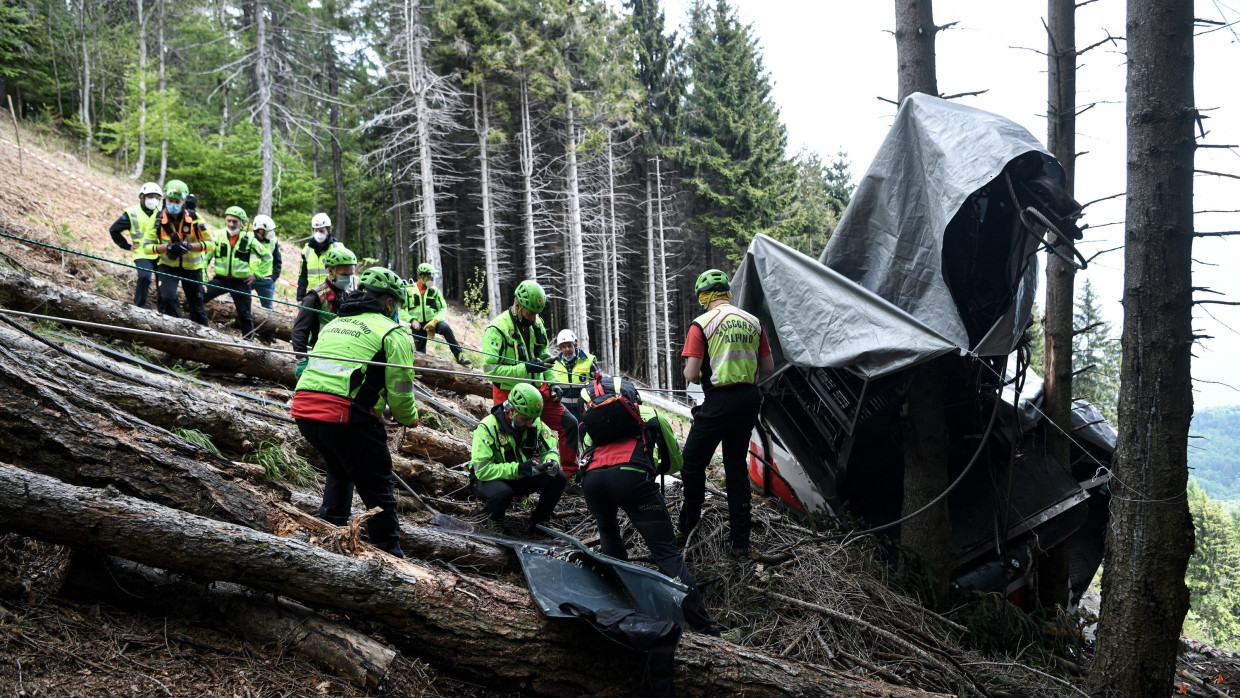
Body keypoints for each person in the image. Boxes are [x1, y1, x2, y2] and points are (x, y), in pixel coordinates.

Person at [290, 266, 418, 558]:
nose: (396, 310)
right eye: (396, 304)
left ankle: (329, 532)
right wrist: (409, 417)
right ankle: (389, 554)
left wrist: (375, 406)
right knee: (377, 486)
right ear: (388, 302)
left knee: (340, 469)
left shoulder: (335, 323)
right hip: (344, 418)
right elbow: (400, 389)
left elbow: (343, 375)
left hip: (305, 413)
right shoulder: (392, 333)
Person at [579, 377, 721, 636]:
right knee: (667, 554)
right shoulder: (651, 415)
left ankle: (620, 611)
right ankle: (706, 629)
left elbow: (587, 452)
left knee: (608, 532)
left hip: (593, 481)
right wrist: (650, 468)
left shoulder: (590, 419)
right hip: (632, 479)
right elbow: (675, 463)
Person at [676, 269, 774, 559]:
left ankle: (688, 525)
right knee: (735, 468)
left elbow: (692, 373)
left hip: (719, 400)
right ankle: (740, 543)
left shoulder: (701, 324)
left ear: (704, 296)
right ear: (728, 293)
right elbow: (767, 368)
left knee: (692, 463)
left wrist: (695, 372)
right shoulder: (753, 322)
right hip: (748, 400)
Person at [482, 280, 580, 481]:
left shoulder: (537, 324)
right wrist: (525, 368)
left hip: (538, 389)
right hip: (510, 394)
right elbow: (491, 371)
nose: (534, 318)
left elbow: (543, 355)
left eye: (537, 313)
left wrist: (553, 383)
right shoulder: (497, 329)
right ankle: (515, 487)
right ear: (518, 305)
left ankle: (570, 474)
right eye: (530, 313)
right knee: (514, 441)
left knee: (569, 423)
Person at [468, 382, 566, 532]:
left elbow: (550, 447)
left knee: (558, 477)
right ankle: (495, 520)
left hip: (518, 475)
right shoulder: (487, 427)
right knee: (502, 493)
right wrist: (519, 469)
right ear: (511, 410)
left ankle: (540, 520)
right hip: (487, 480)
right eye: (525, 419)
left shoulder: (533, 421)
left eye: (532, 419)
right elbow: (482, 470)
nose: (530, 423)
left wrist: (552, 461)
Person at [142, 179, 214, 325]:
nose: (173, 204)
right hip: (168, 266)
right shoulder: (157, 219)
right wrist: (168, 247)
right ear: (165, 199)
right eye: (170, 200)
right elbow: (147, 248)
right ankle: (179, 327)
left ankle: (204, 338)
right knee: (167, 298)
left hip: (192, 268)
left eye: (177, 201)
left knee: (197, 305)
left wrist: (189, 247)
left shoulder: (194, 218)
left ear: (183, 202)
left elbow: (211, 245)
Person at [292, 246, 356, 377]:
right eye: (344, 274)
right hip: (319, 353)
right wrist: (302, 359)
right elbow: (299, 330)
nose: (348, 279)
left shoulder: (348, 295)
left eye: (351, 274)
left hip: (342, 353)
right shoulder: (315, 297)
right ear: (331, 271)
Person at [403, 262, 472, 366]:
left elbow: (443, 308)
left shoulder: (434, 291)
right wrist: (411, 320)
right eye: (430, 277)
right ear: (422, 276)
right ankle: (423, 371)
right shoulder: (409, 290)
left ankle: (459, 355)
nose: (432, 280)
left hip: (433, 322)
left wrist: (435, 321)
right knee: (420, 352)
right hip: (417, 325)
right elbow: (401, 310)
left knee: (446, 328)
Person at [202, 206, 257, 337]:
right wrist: (203, 280)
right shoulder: (217, 236)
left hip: (241, 282)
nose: (231, 224)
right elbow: (204, 259)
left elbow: (267, 257)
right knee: (198, 298)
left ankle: (249, 342)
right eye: (229, 221)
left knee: (245, 314)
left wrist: (256, 274)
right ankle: (198, 329)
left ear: (241, 223)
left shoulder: (249, 239)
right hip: (220, 279)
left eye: (235, 222)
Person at [107, 182, 163, 308]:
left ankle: (163, 311)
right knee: (145, 277)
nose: (153, 200)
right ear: (142, 197)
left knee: (163, 283)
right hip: (142, 253)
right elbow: (114, 230)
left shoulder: (162, 212)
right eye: (150, 196)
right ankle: (139, 308)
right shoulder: (132, 213)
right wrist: (126, 245)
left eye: (156, 197)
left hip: (160, 252)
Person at [547, 329, 597, 423]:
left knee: (585, 434)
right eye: (563, 347)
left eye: (569, 345)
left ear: (575, 345)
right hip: (564, 409)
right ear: (560, 348)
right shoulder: (554, 363)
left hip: (585, 407)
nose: (567, 349)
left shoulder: (589, 360)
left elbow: (598, 382)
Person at [297, 212, 342, 301]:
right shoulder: (307, 250)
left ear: (329, 230)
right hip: (313, 296)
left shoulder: (338, 248)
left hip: (333, 297)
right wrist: (300, 298)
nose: (318, 234)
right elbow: (302, 276)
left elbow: (346, 275)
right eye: (316, 230)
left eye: (321, 231)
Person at [249, 214, 282, 310]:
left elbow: (278, 261)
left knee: (268, 309)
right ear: (260, 231)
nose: (272, 233)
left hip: (265, 280)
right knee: (233, 299)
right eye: (269, 231)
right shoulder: (247, 238)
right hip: (247, 278)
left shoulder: (273, 241)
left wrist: (273, 277)